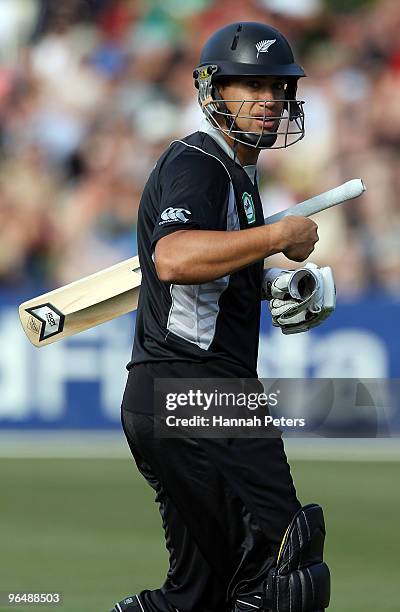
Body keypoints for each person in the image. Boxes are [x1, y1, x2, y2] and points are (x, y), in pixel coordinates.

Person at [111, 22, 332, 612]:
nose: (267, 101)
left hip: (168, 393)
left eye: (276, 88)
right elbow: (174, 257)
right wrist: (277, 234)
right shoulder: (200, 163)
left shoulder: (236, 171)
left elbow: (217, 269)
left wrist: (276, 280)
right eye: (250, 86)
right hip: (200, 391)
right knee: (285, 578)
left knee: (199, 598)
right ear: (213, 91)